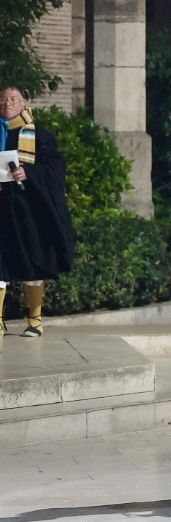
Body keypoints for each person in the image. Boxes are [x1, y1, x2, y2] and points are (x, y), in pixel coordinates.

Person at [0, 86, 75, 338]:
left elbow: (55, 168)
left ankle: (35, 320)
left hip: (27, 208)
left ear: (23, 103)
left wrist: (28, 172)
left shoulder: (37, 135)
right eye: (3, 99)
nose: (7, 103)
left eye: (13, 99)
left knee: (32, 262)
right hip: (1, 206)